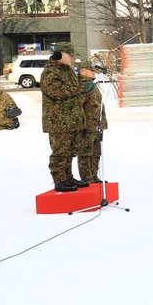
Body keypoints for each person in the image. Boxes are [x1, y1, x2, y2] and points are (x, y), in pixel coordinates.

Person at [40, 42, 95, 192]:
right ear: (59, 55)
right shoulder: (50, 72)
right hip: (59, 121)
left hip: (71, 120)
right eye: (69, 55)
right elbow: (56, 92)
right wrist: (80, 87)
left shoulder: (66, 71)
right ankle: (59, 179)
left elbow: (73, 89)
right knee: (60, 152)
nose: (72, 58)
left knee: (70, 150)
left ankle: (67, 177)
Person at [77, 60, 108, 185]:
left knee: (96, 152)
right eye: (91, 70)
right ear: (83, 71)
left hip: (96, 124)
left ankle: (94, 175)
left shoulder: (91, 84)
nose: (94, 72)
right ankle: (87, 178)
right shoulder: (82, 85)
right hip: (87, 125)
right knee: (86, 153)